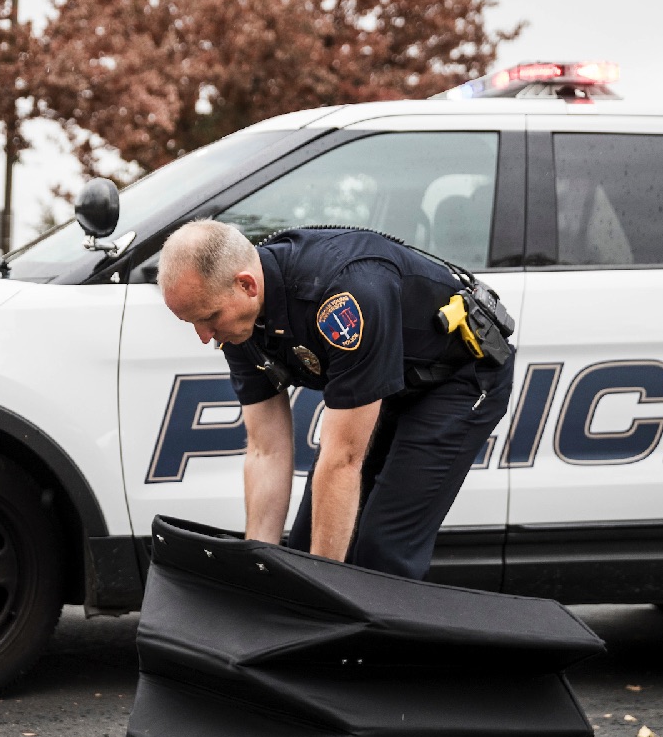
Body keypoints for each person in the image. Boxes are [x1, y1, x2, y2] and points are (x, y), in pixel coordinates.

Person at [158, 220, 514, 580]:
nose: (204, 337)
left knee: (381, 550)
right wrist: (257, 572)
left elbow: (343, 459)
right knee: (303, 547)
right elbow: (266, 451)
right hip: (391, 382)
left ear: (247, 284)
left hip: (459, 378)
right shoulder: (238, 324)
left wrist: (320, 588)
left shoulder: (344, 295)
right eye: (192, 324)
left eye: (208, 318)